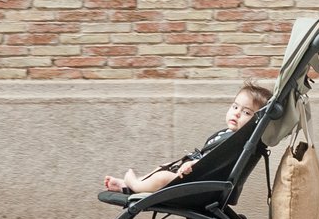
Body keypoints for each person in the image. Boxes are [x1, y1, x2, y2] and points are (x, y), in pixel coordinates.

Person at [103, 80, 272, 196]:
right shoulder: (228, 134)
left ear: (256, 121)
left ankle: (134, 185)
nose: (236, 112)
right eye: (235, 106)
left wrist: (194, 165)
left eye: (246, 112)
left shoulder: (238, 142)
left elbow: (216, 164)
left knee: (163, 177)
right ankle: (131, 186)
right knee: (163, 168)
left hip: (202, 183)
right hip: (195, 176)